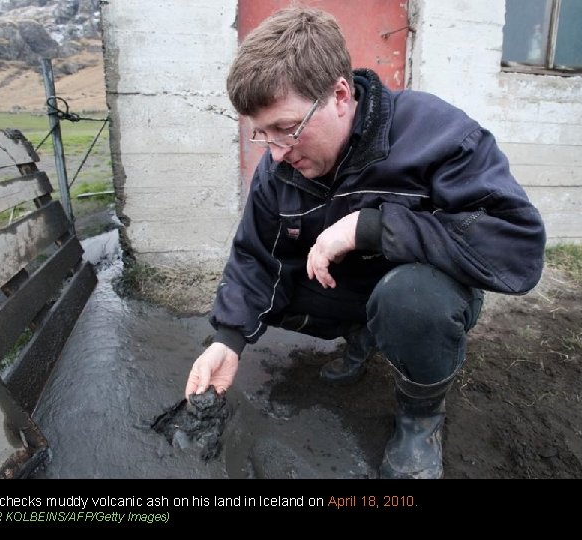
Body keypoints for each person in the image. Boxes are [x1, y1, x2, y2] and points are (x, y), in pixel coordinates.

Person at [185, 7, 546, 479]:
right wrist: (227, 340)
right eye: (262, 133)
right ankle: (363, 334)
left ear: (339, 95)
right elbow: (256, 257)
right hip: (348, 289)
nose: (275, 152)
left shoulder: (437, 135)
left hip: (422, 292)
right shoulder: (278, 171)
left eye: (287, 128)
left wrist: (371, 227)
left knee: (411, 300)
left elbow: (516, 248)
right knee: (271, 294)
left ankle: (420, 418)